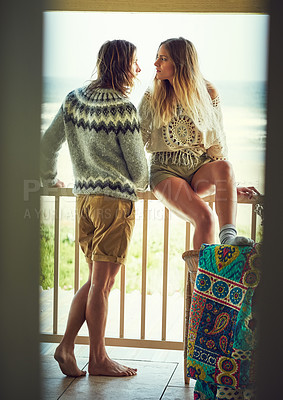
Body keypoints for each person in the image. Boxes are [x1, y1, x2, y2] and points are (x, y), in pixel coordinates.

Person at [40, 40, 148, 377]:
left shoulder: (74, 100)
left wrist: (51, 178)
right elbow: (141, 175)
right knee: (101, 285)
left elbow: (47, 145)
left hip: (84, 201)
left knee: (94, 282)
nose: (139, 69)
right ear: (121, 66)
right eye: (135, 62)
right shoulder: (124, 109)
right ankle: (98, 358)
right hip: (114, 205)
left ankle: (67, 346)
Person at [138, 37, 259, 250]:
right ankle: (199, 282)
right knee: (206, 218)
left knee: (225, 166)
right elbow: (137, 140)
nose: (156, 64)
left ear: (180, 63)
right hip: (166, 172)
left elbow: (217, 143)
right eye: (157, 58)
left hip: (199, 169)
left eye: (163, 59)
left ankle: (229, 240)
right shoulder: (153, 96)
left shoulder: (208, 93)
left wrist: (228, 186)